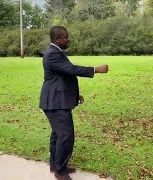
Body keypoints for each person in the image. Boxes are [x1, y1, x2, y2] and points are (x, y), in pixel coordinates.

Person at [39, 26, 108, 180]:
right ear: (57, 39)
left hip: (57, 100)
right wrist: (96, 69)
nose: (67, 39)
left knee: (58, 134)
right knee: (65, 135)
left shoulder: (56, 52)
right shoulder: (52, 54)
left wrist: (75, 95)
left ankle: (55, 166)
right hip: (55, 102)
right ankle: (60, 172)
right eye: (65, 37)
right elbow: (71, 69)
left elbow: (63, 76)